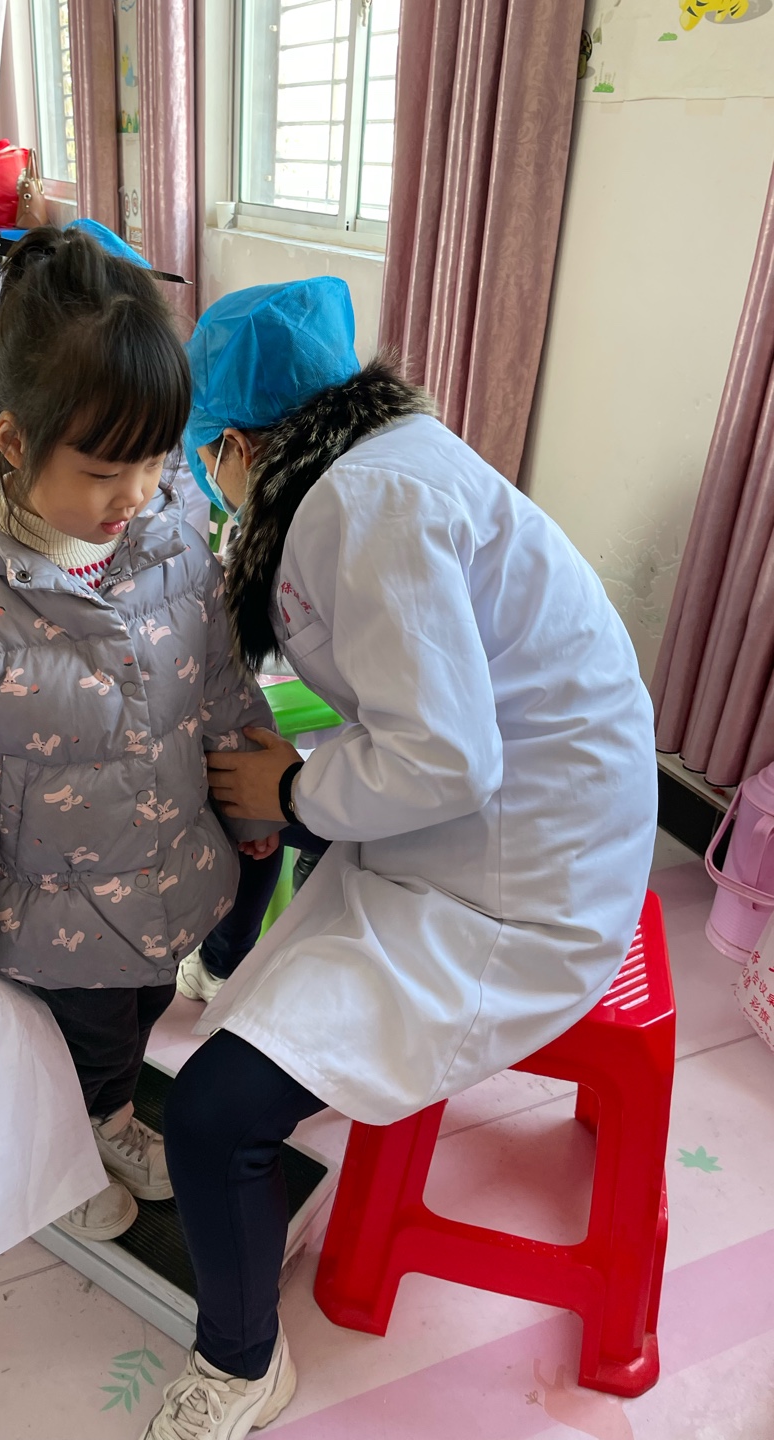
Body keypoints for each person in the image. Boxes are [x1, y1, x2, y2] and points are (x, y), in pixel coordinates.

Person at [135, 277, 659, 1440]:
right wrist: (296, 777)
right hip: (518, 821)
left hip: (518, 887)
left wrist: (292, 790)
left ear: (231, 447)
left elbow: (445, 759)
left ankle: (240, 1364)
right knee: (268, 861)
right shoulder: (383, 458)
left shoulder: (358, 504)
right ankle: (232, 987)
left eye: (199, 461)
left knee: (212, 1116)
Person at [0, 226, 279, 1243]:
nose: (134, 493)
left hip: (168, 862)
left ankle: (108, 1110)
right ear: (13, 442)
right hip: (51, 913)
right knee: (85, 1043)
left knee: (143, 1012)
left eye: (155, 460)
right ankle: (81, 1138)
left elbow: (217, 674)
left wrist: (250, 783)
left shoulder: (170, 533)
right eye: (103, 471)